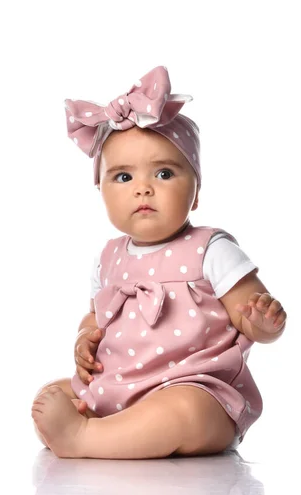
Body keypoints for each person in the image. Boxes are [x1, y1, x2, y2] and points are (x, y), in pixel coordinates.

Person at [31, 66, 287, 459]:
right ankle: (116, 431)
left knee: (184, 412)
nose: (143, 188)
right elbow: (95, 319)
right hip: (121, 387)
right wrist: (85, 341)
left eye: (164, 173)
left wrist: (261, 322)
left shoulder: (210, 248)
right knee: (54, 392)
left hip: (198, 389)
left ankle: (86, 439)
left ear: (196, 191)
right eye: (123, 177)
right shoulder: (109, 258)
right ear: (100, 191)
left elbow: (249, 312)